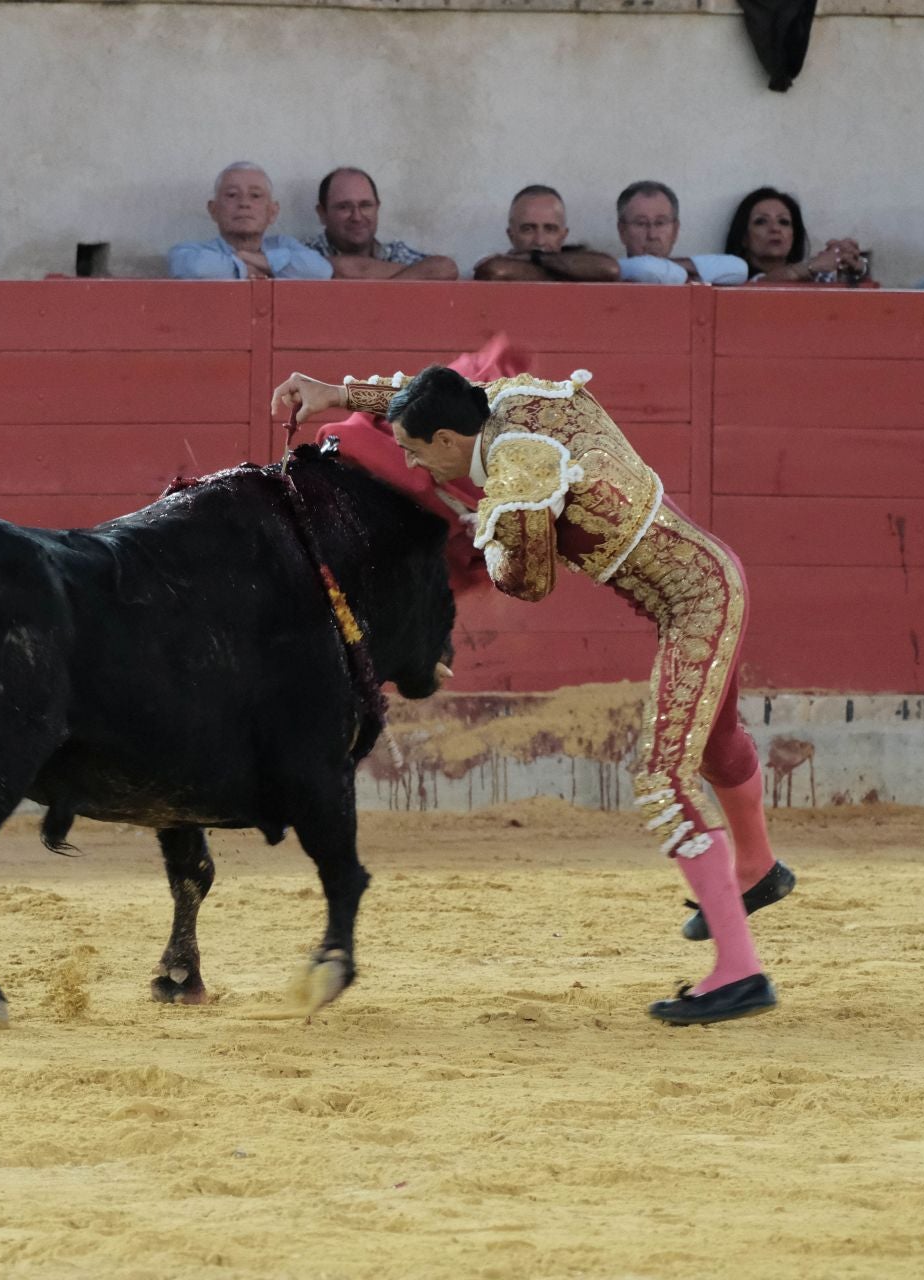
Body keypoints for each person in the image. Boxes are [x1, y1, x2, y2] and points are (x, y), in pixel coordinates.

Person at [271, 363, 793, 1025]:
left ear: (450, 443)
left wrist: (483, 531)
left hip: (696, 604)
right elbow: (441, 392)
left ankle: (741, 973)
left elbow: (530, 582)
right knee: (714, 743)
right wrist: (338, 395)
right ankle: (757, 870)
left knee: (663, 781)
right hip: (708, 579)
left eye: (412, 449)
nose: (408, 460)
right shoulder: (505, 402)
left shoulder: (518, 478)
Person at [168, 162, 332, 280]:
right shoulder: (191, 250)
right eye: (232, 195)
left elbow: (321, 271)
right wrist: (250, 269)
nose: (244, 203)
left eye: (255, 196)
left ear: (272, 212)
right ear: (213, 210)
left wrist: (248, 257)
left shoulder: (284, 244)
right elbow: (197, 268)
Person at [305, 168, 457, 281]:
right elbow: (340, 269)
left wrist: (379, 300)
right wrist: (418, 274)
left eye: (365, 205)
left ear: (377, 208)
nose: (357, 217)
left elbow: (444, 268)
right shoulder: (305, 253)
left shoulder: (395, 253)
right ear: (322, 213)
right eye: (344, 207)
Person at [471, 186, 620, 282]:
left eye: (550, 229)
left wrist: (533, 257)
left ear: (563, 235)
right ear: (511, 235)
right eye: (528, 229)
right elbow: (496, 271)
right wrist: (570, 275)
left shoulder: (581, 258)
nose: (540, 241)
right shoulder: (500, 262)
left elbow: (610, 269)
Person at [614, 181, 749, 285]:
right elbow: (648, 269)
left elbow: (739, 268)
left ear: (675, 230)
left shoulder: (677, 271)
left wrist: (668, 266)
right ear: (622, 231)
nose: (652, 235)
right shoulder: (612, 271)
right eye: (641, 223)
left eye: (660, 223)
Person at [723, 187, 865, 283]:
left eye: (784, 222)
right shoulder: (732, 280)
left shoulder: (813, 279)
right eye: (761, 221)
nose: (775, 228)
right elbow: (762, 285)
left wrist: (848, 264)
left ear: (794, 236)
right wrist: (812, 266)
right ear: (743, 238)